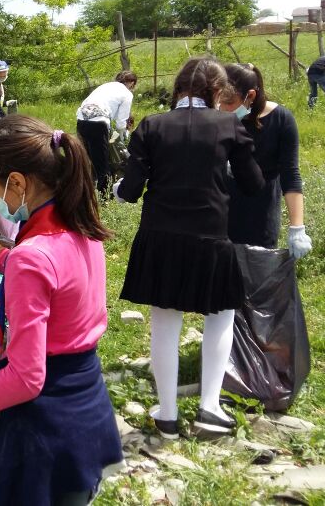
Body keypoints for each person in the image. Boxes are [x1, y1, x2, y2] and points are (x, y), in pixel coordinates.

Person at [0, 115, 123, 506]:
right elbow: (52, 278)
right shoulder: (81, 226)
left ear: (17, 183)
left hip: (43, 426)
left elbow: (26, 378)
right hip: (86, 407)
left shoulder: (31, 258)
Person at [115, 57, 265, 438]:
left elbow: (129, 191)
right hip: (210, 234)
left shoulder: (151, 125)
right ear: (218, 91)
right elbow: (253, 184)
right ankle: (209, 407)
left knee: (165, 322)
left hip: (160, 236)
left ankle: (167, 414)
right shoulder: (229, 125)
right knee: (221, 316)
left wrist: (116, 189)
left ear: (178, 88)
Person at [221, 63, 311, 257]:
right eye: (219, 101)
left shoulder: (281, 120)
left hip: (260, 212)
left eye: (229, 103)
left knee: (256, 267)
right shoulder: (217, 119)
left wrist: (297, 227)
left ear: (250, 96)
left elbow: (290, 174)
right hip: (220, 210)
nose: (222, 108)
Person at [76, 71, 137, 196]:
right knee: (102, 163)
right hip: (98, 123)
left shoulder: (107, 86)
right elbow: (121, 123)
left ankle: (85, 192)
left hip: (81, 119)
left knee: (87, 161)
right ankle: (105, 197)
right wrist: (123, 139)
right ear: (131, 83)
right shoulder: (126, 93)